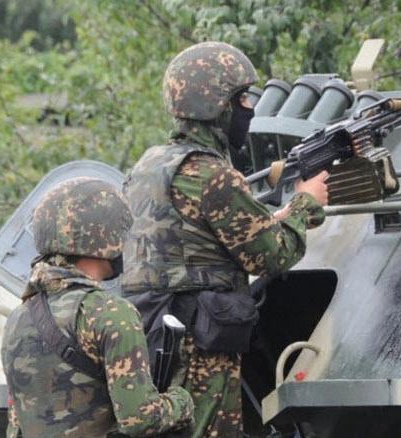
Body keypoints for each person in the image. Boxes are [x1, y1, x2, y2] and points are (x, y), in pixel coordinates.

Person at [122, 42, 329, 437]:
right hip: (200, 347)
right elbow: (271, 256)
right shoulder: (211, 174)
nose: (249, 108)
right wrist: (307, 204)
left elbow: (193, 241)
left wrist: (276, 218)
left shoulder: (149, 165)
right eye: (242, 98)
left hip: (155, 335)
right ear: (216, 104)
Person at [1, 177, 194, 438]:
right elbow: (139, 419)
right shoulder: (110, 312)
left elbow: (16, 425)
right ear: (106, 236)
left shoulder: (17, 318)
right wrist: (181, 401)